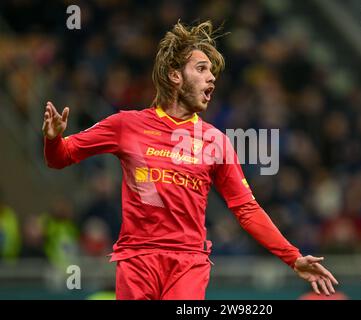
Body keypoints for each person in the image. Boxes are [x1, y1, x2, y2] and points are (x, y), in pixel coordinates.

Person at [42, 20, 338, 300]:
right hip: (137, 259)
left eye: (212, 73)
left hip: (188, 265)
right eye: (201, 68)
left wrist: (292, 257)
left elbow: (246, 209)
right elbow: (61, 158)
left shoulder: (215, 141)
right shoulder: (126, 125)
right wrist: (53, 139)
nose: (211, 78)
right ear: (175, 75)